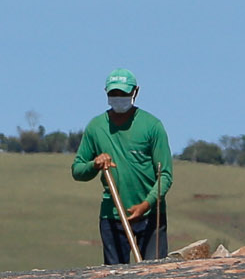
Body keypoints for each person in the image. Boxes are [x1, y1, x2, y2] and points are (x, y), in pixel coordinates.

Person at [73, 71, 173, 263]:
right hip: (112, 215)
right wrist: (95, 164)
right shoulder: (96, 127)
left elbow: (166, 175)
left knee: (154, 274)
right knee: (116, 277)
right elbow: (77, 170)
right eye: (114, 94)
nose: (119, 99)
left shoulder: (152, 126)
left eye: (124, 94)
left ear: (136, 92)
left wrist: (146, 205)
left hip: (150, 215)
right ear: (106, 93)